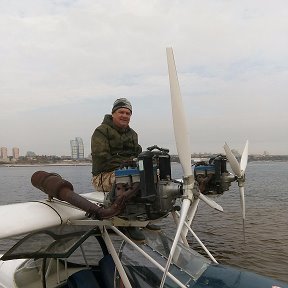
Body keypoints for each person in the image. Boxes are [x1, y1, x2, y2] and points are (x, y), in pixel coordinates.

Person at [91, 98, 145, 241]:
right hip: (103, 176)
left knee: (151, 176)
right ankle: (128, 223)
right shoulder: (101, 131)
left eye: (128, 113)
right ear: (113, 113)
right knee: (128, 180)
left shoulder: (133, 134)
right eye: (121, 112)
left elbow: (138, 155)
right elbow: (102, 157)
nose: (125, 116)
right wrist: (127, 163)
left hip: (127, 172)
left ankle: (145, 215)